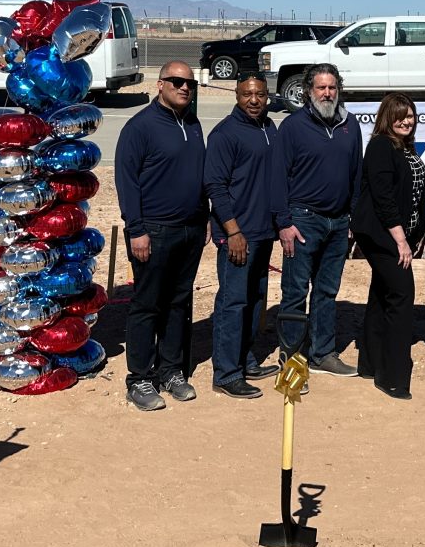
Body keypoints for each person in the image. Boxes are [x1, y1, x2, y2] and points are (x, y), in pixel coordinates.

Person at [114, 61, 209, 411]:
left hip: (191, 229)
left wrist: (206, 215)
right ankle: (139, 378)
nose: (184, 87)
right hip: (153, 231)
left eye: (190, 83)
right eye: (177, 81)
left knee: (178, 303)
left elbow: (198, 176)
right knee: (147, 304)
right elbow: (127, 182)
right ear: (160, 84)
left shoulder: (193, 123)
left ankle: (171, 370)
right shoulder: (140, 127)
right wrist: (136, 230)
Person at [272, 63, 363, 377]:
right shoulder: (293, 127)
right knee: (295, 292)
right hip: (302, 221)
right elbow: (278, 177)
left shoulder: (351, 126)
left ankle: (323, 353)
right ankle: (292, 360)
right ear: (308, 91)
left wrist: (352, 217)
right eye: (321, 88)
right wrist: (284, 223)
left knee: (327, 292)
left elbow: (356, 174)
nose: (327, 93)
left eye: (332, 87)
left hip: (338, 223)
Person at [204, 72, 281, 400]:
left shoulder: (269, 128)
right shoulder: (225, 134)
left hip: (263, 233)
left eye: (260, 95)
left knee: (255, 298)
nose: (254, 100)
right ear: (236, 95)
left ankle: (245, 359)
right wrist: (232, 231)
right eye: (247, 94)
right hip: (237, 234)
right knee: (233, 302)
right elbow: (215, 187)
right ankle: (226, 372)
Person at [351, 93, 425, 400]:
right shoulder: (382, 146)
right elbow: (382, 197)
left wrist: (415, 234)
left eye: (410, 115)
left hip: (398, 237)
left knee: (381, 295)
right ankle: (392, 375)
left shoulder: (404, 147)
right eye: (399, 116)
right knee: (401, 296)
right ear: (387, 117)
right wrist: (400, 240)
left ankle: (369, 363)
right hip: (382, 237)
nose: (406, 121)